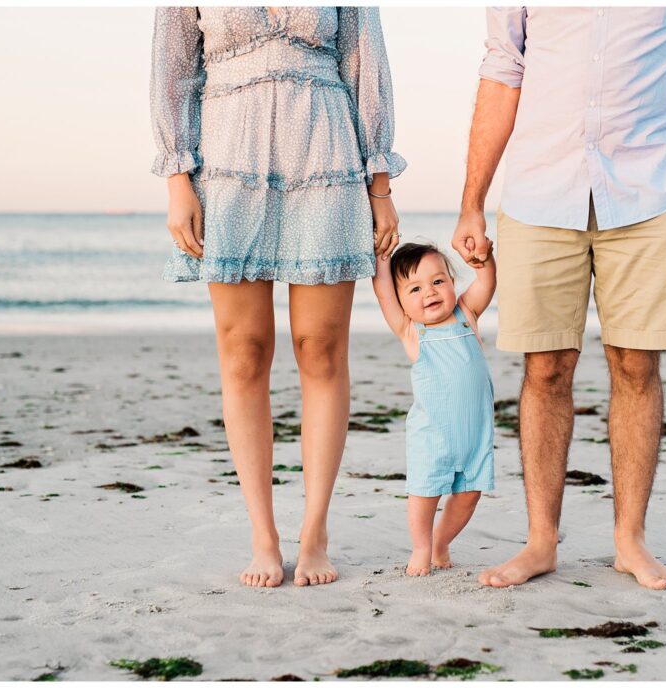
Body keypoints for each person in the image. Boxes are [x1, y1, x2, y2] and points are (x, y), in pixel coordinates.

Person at [453, 7, 666, 590]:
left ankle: (630, 542)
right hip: (540, 189)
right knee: (545, 368)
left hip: (649, 187)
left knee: (636, 363)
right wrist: (472, 199)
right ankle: (541, 542)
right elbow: (502, 69)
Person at [149, 6, 405, 588]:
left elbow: (365, 65)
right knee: (244, 351)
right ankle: (263, 535)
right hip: (227, 162)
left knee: (320, 349)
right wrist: (177, 181)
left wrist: (381, 185)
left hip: (326, 153)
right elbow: (173, 73)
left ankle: (315, 532)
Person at [371, 241, 497, 576]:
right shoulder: (412, 331)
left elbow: (486, 283)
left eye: (438, 281)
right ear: (401, 303)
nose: (430, 292)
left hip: (475, 433)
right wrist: (381, 258)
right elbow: (383, 290)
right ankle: (422, 547)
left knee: (470, 493)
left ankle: (441, 543)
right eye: (415, 288)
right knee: (424, 493)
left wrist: (485, 261)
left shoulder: (466, 314)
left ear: (452, 282)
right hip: (431, 435)